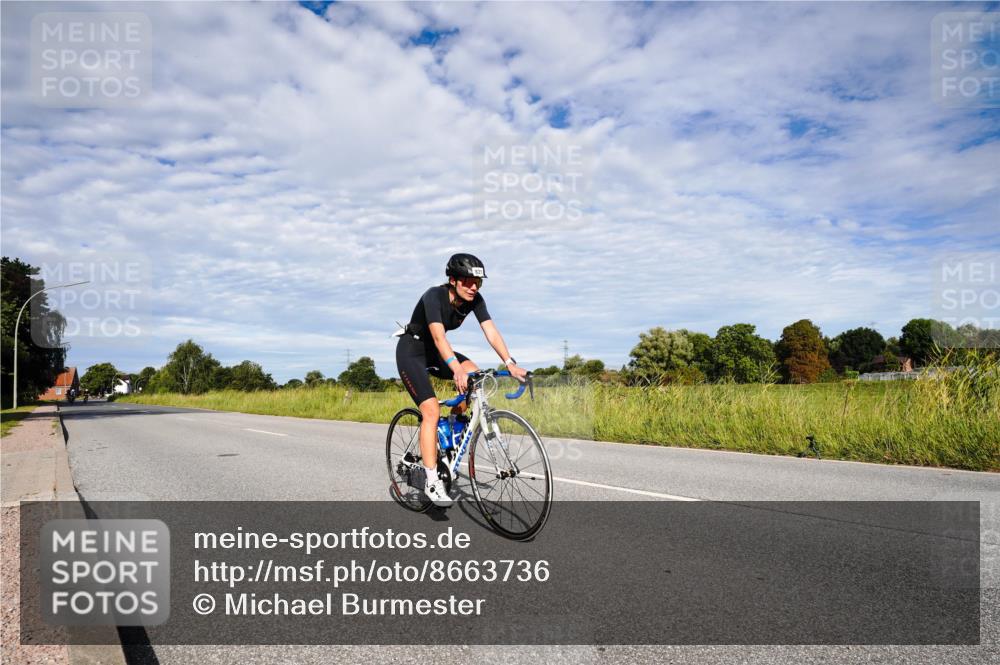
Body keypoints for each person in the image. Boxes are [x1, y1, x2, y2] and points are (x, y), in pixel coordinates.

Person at [395, 253, 527, 507]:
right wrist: (455, 368)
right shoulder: (434, 295)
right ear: (453, 280)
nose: (473, 287)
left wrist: (510, 363)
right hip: (412, 351)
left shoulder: (475, 300)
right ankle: (432, 480)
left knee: (474, 374)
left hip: (435, 352)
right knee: (431, 410)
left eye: (478, 283)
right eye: (467, 281)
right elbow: (438, 337)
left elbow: (490, 330)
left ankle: (453, 433)